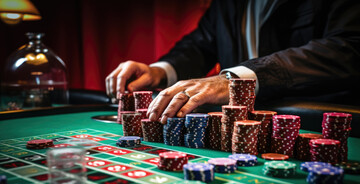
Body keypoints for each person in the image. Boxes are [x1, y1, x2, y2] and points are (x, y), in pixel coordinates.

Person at [105, 0, 360, 124]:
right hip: (240, 123)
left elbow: (348, 48)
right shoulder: (227, 3)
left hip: (318, 122)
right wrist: (156, 72)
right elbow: (200, 45)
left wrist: (235, 81)